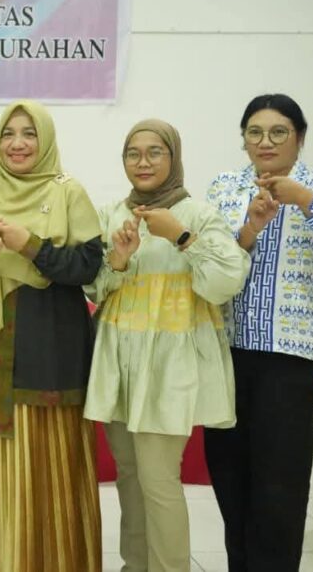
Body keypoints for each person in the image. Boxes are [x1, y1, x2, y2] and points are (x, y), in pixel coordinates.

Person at [0, 99, 103, 572]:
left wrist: (30, 246)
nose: (17, 143)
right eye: (8, 133)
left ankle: (55, 559)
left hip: (49, 343)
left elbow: (86, 267)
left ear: (45, 140)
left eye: (29, 133)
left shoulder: (69, 193)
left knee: (49, 458)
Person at [84, 119, 249, 572]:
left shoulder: (198, 214)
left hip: (170, 365)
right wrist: (118, 260)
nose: (143, 162)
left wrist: (180, 236)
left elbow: (226, 281)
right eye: (133, 153)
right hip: (120, 361)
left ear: (173, 157)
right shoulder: (110, 214)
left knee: (158, 479)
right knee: (129, 476)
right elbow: (93, 288)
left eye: (155, 152)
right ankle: (135, 565)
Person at [203, 94, 313, 572]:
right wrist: (249, 228)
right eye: (255, 132)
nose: (265, 141)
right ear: (244, 139)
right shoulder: (225, 188)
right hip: (225, 352)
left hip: (289, 358)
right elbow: (206, 261)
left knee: (279, 484)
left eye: (278, 132)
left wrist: (304, 200)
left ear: (299, 138)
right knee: (230, 476)